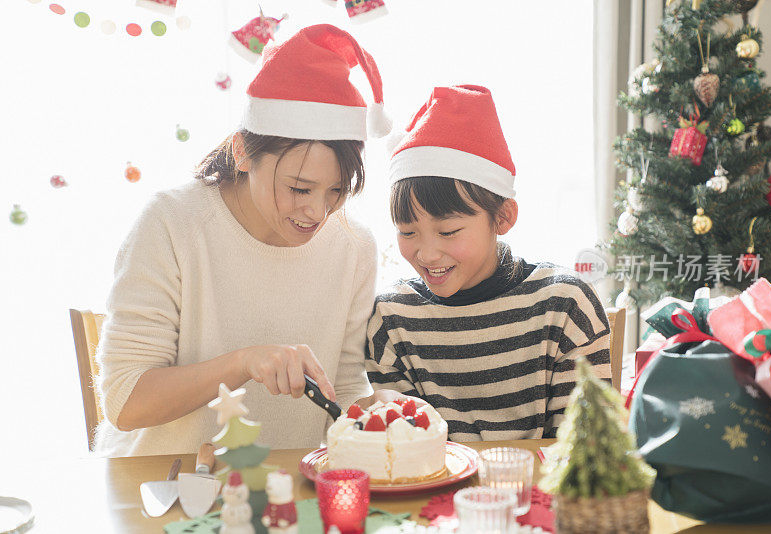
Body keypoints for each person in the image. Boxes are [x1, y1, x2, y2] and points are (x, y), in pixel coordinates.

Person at [94, 24, 392, 456]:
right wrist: (242, 363)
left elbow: (342, 388)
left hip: (289, 492)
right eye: (299, 188)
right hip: (165, 489)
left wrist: (384, 411)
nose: (319, 213)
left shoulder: (354, 246)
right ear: (241, 152)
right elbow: (125, 402)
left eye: (337, 191)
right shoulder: (172, 223)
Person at [363, 85, 611, 441]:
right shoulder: (392, 320)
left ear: (503, 217)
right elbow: (404, 454)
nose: (427, 254)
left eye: (448, 231)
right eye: (407, 232)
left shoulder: (565, 306)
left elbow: (584, 453)